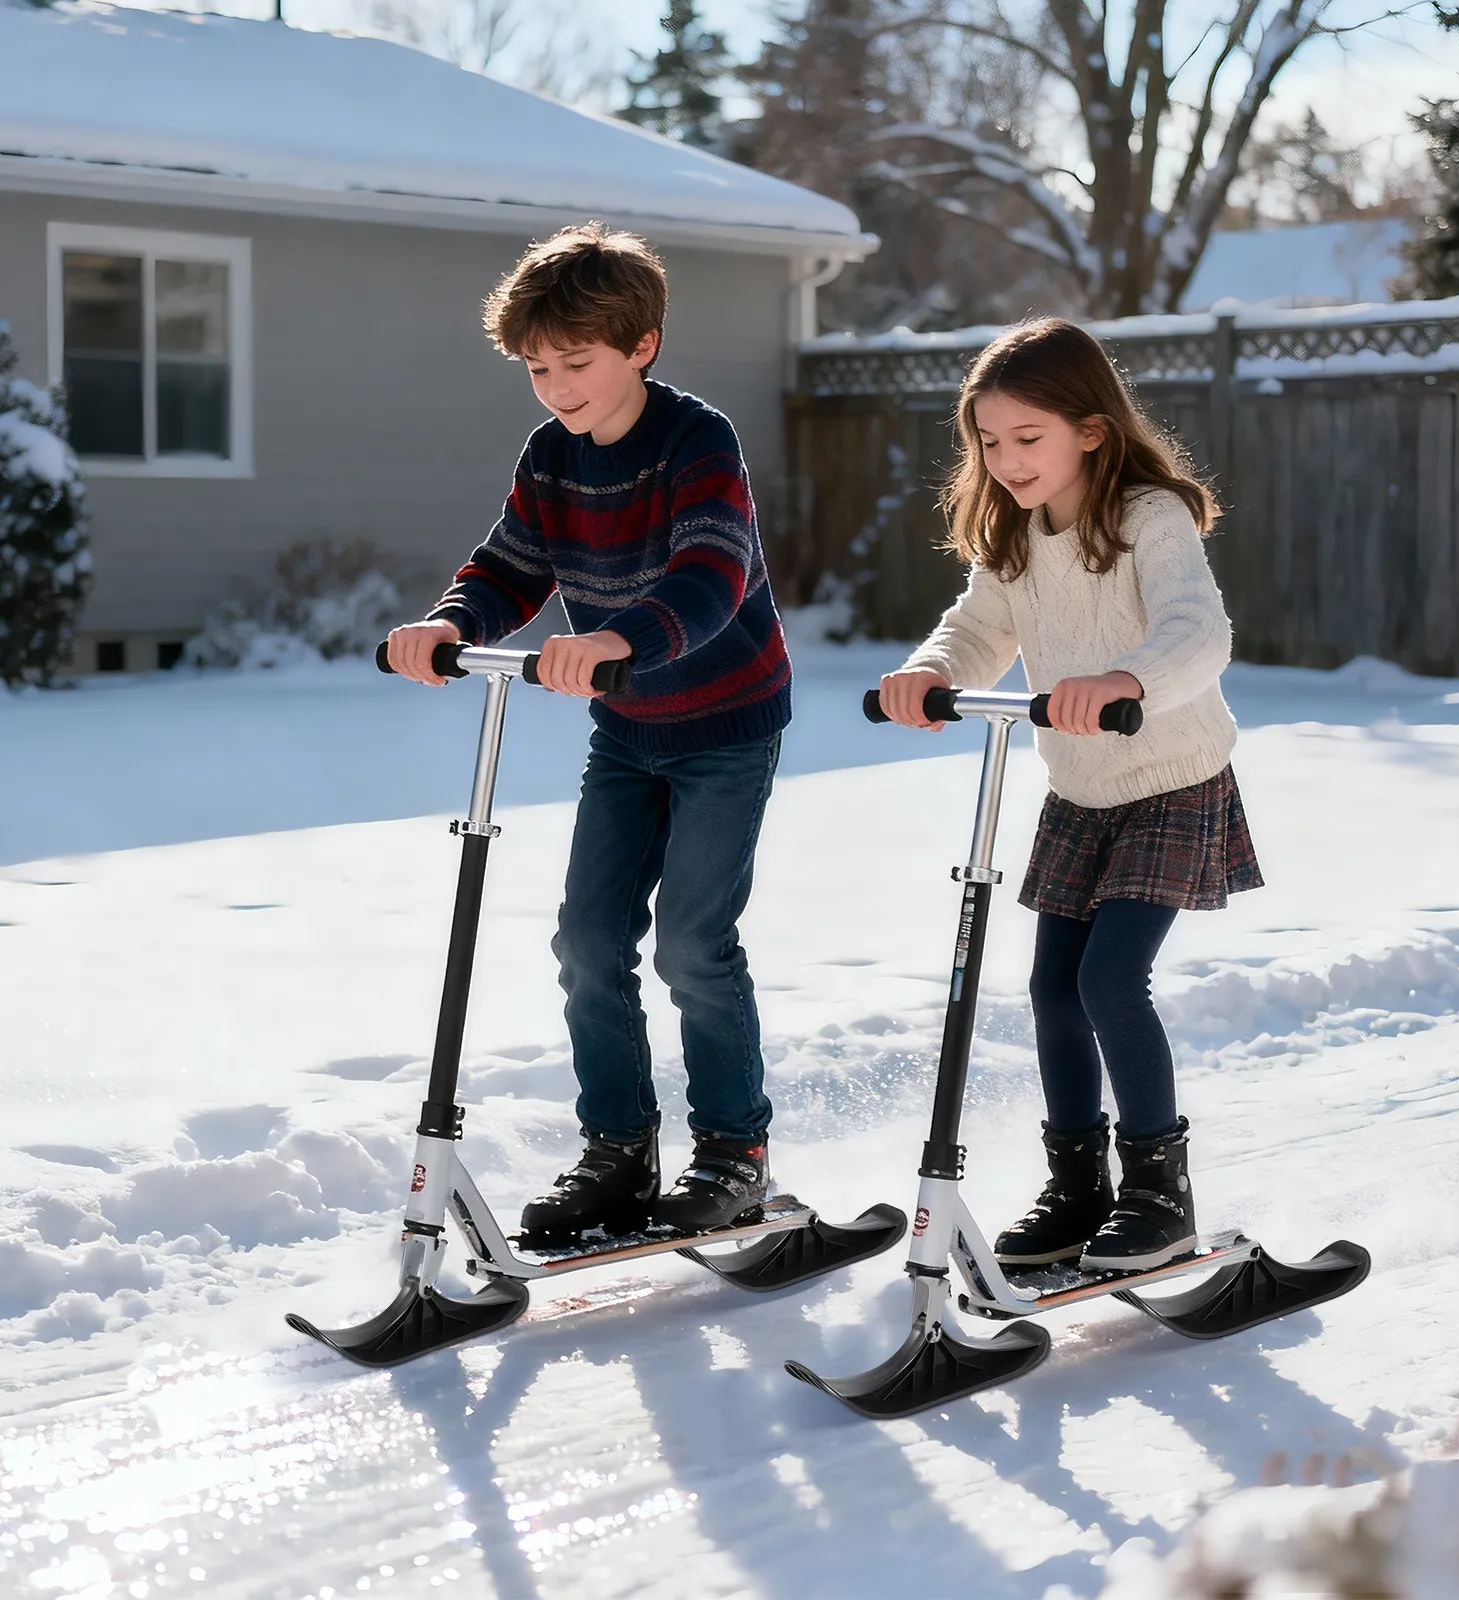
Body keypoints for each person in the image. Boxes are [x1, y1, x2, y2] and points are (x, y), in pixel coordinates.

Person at [385, 223, 790, 1243]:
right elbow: (510, 565)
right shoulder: (551, 457)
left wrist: (619, 635)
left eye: (576, 362)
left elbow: (712, 573)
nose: (556, 386)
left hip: (725, 724)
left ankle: (733, 1153)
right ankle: (617, 1149)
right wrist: (451, 623)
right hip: (627, 729)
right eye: (536, 368)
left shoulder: (699, 442)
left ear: (641, 344)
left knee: (695, 943)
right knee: (588, 939)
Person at [878, 317, 1263, 1275]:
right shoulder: (1014, 534)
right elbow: (975, 628)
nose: (1005, 460)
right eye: (988, 441)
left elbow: (1197, 629)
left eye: (1027, 438)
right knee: (1053, 989)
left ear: (1092, 429)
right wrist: (927, 672)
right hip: (1079, 788)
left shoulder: (1147, 519)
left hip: (1172, 780)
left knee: (1107, 982)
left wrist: (1128, 680)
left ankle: (1159, 1195)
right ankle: (1079, 1185)